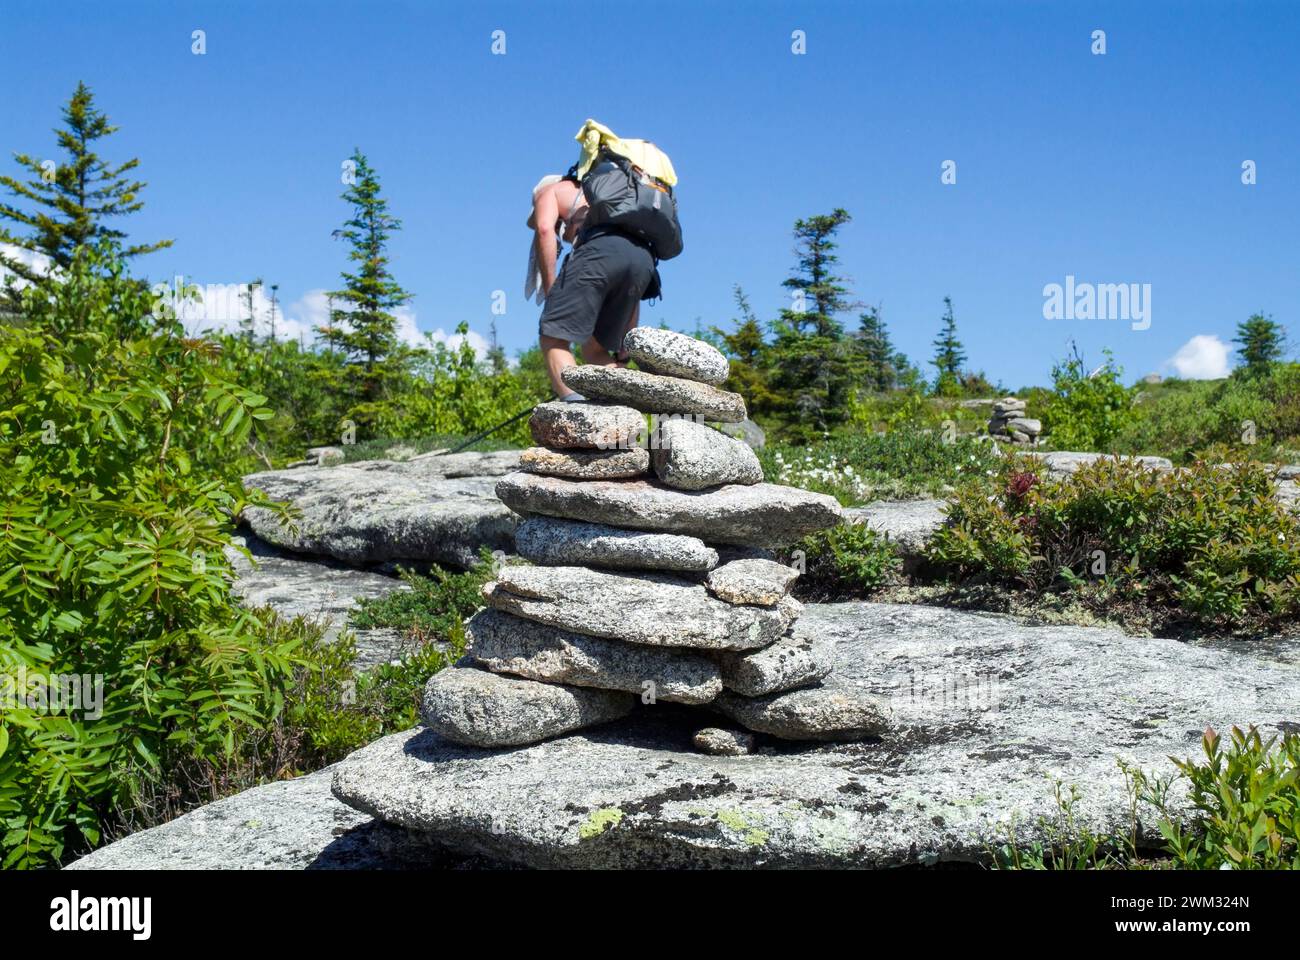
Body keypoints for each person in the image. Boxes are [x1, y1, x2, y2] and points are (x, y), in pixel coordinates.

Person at [527, 174, 654, 401]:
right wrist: (625, 350)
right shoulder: (610, 202)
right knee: (594, 348)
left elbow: (545, 229)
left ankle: (578, 412)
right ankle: (619, 411)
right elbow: (633, 298)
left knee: (552, 337)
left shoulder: (550, 190)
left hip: (597, 255)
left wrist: (551, 293)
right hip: (643, 260)